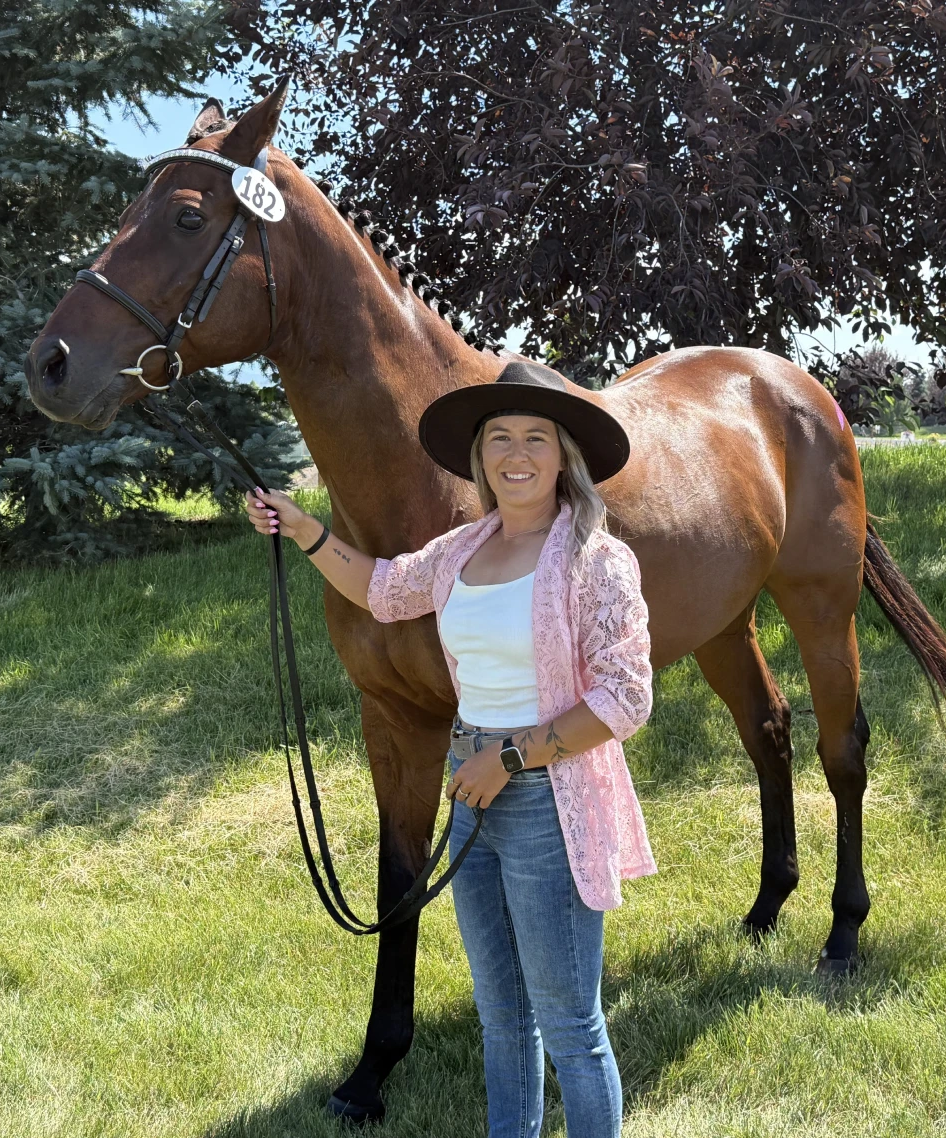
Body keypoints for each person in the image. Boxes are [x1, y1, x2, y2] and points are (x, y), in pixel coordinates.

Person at [245, 360, 655, 1138]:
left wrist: (510, 761)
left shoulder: (595, 559)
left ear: (564, 453)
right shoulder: (464, 549)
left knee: (570, 1025)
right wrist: (307, 532)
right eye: (499, 437)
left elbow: (624, 698)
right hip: (473, 794)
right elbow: (383, 588)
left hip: (543, 798)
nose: (516, 453)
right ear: (480, 458)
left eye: (536, 436)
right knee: (502, 1020)